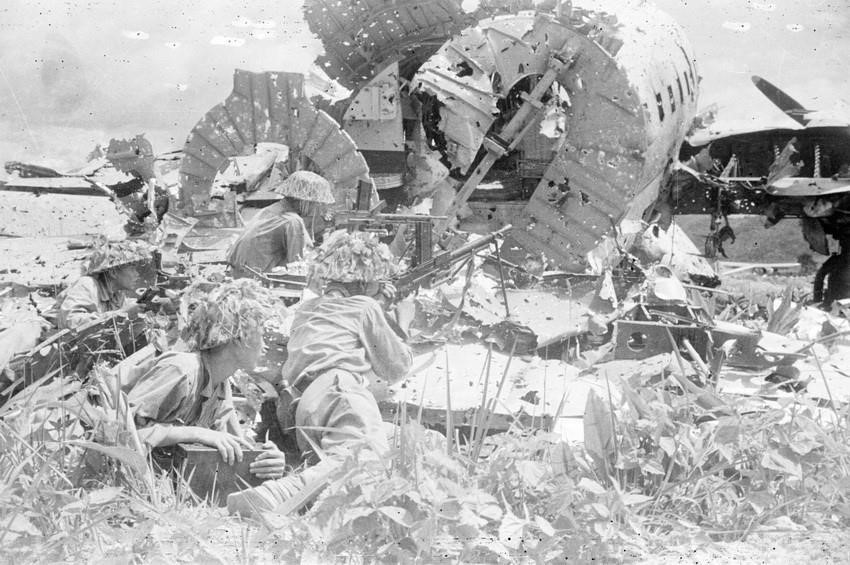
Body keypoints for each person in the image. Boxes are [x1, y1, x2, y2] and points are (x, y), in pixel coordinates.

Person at [227, 230, 415, 516]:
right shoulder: (364, 306)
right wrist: (402, 322)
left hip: (301, 406)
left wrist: (377, 307)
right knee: (362, 457)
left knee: (386, 443)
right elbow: (397, 367)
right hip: (338, 390)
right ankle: (276, 494)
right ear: (366, 279)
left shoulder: (306, 308)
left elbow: (338, 322)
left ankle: (286, 492)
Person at [122, 279, 287, 478]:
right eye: (261, 335)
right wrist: (196, 433)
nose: (265, 346)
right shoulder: (182, 370)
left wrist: (266, 460)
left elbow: (232, 443)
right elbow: (120, 435)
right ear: (239, 337)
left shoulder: (220, 380)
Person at [226, 170, 335, 278]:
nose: (316, 208)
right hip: (254, 275)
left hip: (236, 269)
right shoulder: (292, 221)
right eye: (315, 204)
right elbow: (297, 263)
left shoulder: (270, 209)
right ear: (305, 202)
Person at [57, 238, 155, 330]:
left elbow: (126, 308)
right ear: (113, 272)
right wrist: (121, 313)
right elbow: (71, 321)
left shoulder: (117, 294)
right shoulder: (87, 284)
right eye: (132, 268)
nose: (137, 274)